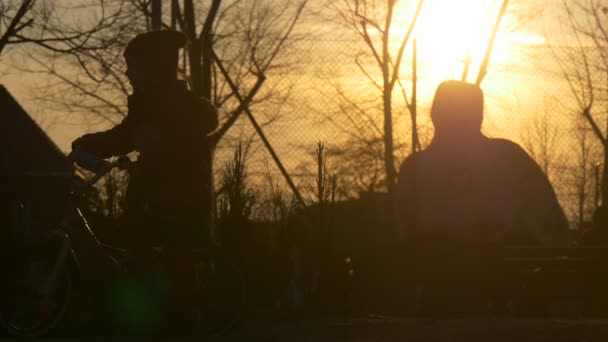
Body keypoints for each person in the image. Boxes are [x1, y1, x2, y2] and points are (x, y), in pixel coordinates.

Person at [71, 30, 218, 331]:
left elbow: (129, 137)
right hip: (167, 193)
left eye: (133, 66)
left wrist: (90, 143)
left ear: (153, 68)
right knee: (148, 243)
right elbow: (134, 136)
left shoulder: (164, 104)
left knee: (156, 245)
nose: (127, 72)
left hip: (177, 196)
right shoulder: (157, 102)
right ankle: (167, 312)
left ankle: (179, 318)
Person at [395, 80, 573, 314]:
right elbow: (554, 234)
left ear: (434, 114)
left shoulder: (505, 159)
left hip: (491, 289)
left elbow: (553, 234)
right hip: (476, 290)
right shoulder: (507, 159)